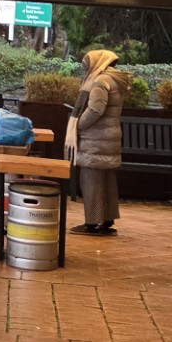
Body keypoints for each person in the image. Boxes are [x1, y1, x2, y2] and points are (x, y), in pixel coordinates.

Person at [70, 47, 124, 235]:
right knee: (107, 181)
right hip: (109, 136)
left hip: (96, 138)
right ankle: (107, 220)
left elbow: (95, 110)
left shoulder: (100, 81)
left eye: (88, 64)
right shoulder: (114, 79)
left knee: (90, 179)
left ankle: (92, 223)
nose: (86, 68)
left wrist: (77, 125)